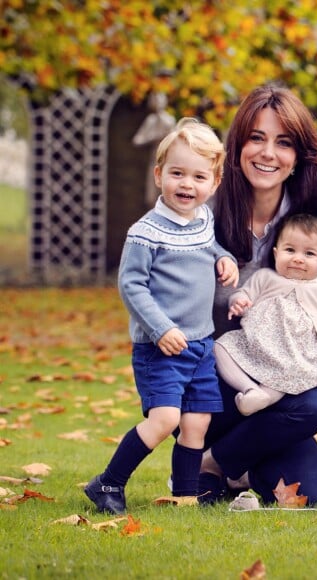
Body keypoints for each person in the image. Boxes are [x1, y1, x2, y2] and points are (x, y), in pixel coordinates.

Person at [193, 83, 317, 506]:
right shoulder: (202, 216)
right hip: (213, 385)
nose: (268, 153)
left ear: (298, 157)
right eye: (256, 138)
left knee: (316, 491)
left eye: (283, 143)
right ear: (237, 145)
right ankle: (223, 460)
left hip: (283, 392)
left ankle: (217, 464)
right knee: (296, 408)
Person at [85, 118, 239, 514]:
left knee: (197, 424)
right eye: (177, 173)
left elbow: (210, 247)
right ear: (159, 175)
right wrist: (160, 328)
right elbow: (131, 285)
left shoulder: (203, 220)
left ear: (214, 182)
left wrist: (224, 258)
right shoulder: (145, 232)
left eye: (198, 176)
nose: (187, 184)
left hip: (201, 344)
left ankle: (185, 495)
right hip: (161, 347)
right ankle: (108, 483)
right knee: (166, 418)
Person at [215, 213, 317, 416]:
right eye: (290, 250)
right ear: (275, 253)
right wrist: (238, 302)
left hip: (297, 353)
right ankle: (250, 390)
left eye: (309, 254)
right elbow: (243, 294)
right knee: (220, 348)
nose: (298, 259)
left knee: (289, 372)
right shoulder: (265, 278)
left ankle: (264, 396)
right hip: (256, 345)